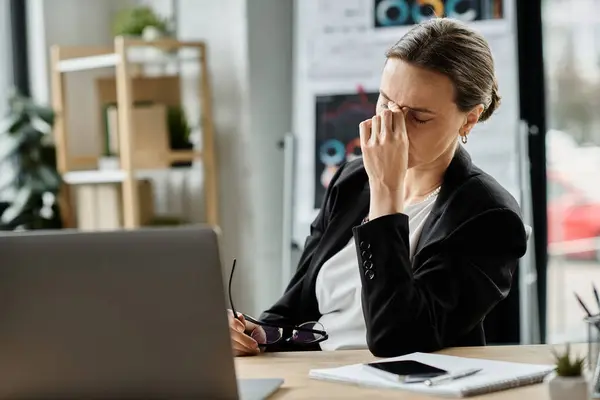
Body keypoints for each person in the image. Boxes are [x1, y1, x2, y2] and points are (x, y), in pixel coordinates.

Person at [229, 17, 527, 358]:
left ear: (470, 118)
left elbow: (399, 339)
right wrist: (251, 331)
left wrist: (387, 193)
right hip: (318, 372)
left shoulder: (488, 215)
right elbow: (292, 310)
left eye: (418, 117)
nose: (391, 125)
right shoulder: (353, 181)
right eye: (385, 102)